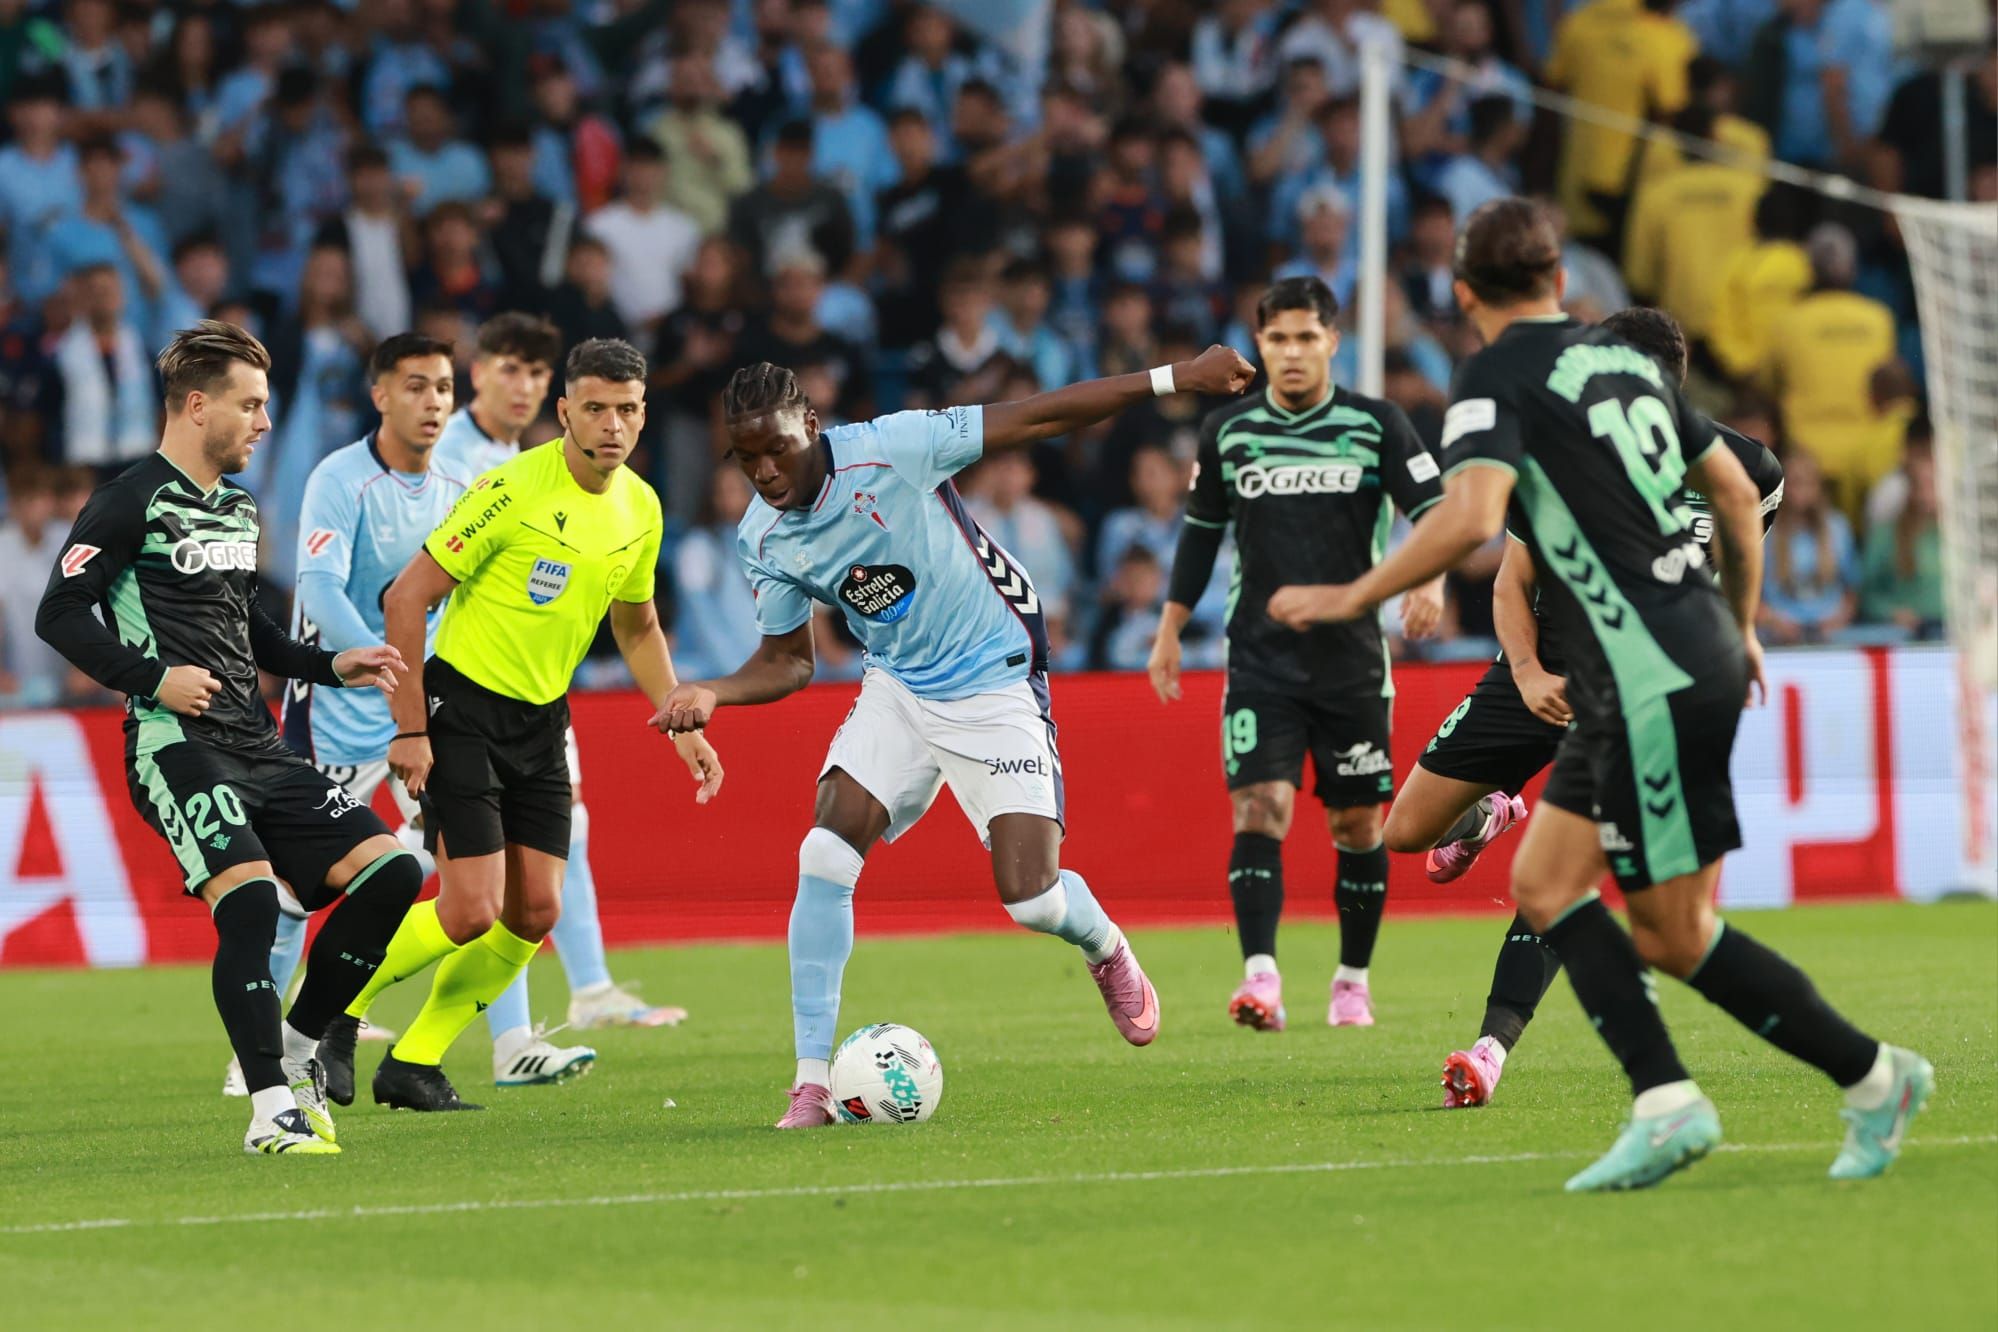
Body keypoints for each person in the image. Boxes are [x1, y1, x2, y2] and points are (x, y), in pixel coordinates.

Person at [1269, 199, 1929, 1191]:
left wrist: (1358, 592)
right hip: (1662, 660)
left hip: (1647, 671)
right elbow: (1743, 493)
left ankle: (1862, 1078)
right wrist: (1742, 625)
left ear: (1462, 294)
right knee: (1562, 892)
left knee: (1672, 931)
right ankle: (1697, 1098)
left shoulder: (1497, 375)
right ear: (1561, 283)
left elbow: (1474, 518)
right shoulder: (1618, 362)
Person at [658, 344, 1257, 1128]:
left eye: (778, 448)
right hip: (900, 685)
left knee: (1033, 899)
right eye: (746, 457)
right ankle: (810, 1084)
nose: (764, 471)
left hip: (993, 674)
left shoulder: (894, 447)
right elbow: (787, 661)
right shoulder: (764, 538)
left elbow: (1039, 414)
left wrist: (1175, 379)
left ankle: (1104, 942)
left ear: (812, 424)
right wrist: (715, 692)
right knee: (824, 851)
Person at [1383, 305, 1785, 1109]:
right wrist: (1528, 673)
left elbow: (1740, 553)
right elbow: (1511, 583)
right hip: (1537, 674)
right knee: (1403, 834)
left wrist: (1734, 638)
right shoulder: (1555, 459)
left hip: (1633, 694)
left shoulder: (1747, 470)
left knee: (1558, 886)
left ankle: (1490, 1049)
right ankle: (1495, 809)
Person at [36, 320, 419, 1157]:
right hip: (175, 744)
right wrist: (150, 678)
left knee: (393, 873)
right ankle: (270, 1108)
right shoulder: (128, 500)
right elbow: (56, 612)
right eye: (249, 405)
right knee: (247, 901)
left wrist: (331, 662)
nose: (264, 422)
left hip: (262, 745)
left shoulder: (238, 508)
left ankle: (297, 1042)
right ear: (196, 405)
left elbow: (252, 633)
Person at [330, 338, 722, 1113]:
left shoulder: (640, 506)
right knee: (471, 906)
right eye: (597, 408)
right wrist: (409, 730)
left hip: (541, 721)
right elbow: (406, 600)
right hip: (460, 709)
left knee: (535, 910)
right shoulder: (509, 490)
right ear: (566, 411)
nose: (613, 425)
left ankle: (414, 1061)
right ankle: (327, 1012)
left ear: (644, 416)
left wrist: (680, 719)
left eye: (629, 409)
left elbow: (637, 626)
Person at [1146, 276, 1446, 1033]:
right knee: (1262, 806)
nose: (1291, 353)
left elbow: (1438, 512)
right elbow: (1201, 532)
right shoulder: (1229, 433)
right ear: (1260, 345)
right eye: (1276, 339)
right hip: (1260, 658)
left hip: (1350, 662)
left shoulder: (1378, 425)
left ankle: (1351, 980)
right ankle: (1261, 979)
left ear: (1332, 343)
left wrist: (1432, 579)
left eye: (1306, 337)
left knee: (1357, 826)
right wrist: (1170, 626)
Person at [428, 311, 690, 1055]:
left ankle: (569, 1002)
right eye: (511, 368)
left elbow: (634, 621)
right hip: (446, 683)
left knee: (549, 846)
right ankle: (322, 1019)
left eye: (536, 372)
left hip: (535, 699)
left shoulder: (606, 488)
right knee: (436, 882)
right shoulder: (463, 462)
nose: (526, 385)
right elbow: (417, 580)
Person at [216, 333, 469, 1100]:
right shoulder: (341, 478)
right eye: (417, 387)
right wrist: (388, 667)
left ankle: (422, 1031)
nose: (432, 403)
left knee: (465, 882)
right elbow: (319, 595)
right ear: (380, 396)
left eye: (444, 389)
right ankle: (257, 1054)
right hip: (334, 711)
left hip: (421, 709)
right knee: (295, 892)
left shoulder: (460, 482)